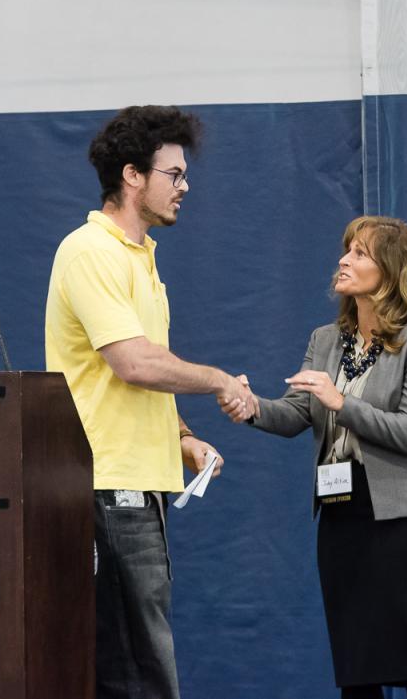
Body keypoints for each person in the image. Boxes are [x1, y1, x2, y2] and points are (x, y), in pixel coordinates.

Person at [44, 105, 253, 699]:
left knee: (135, 665)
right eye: (175, 174)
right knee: (136, 673)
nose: (185, 187)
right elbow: (132, 363)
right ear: (133, 176)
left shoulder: (138, 257)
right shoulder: (91, 252)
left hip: (136, 485)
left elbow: (138, 375)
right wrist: (218, 380)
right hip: (107, 487)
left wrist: (181, 437)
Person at [230, 216, 407, 699]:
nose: (343, 260)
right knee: (355, 661)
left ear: (393, 272)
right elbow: (294, 414)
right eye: (346, 250)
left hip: (397, 519)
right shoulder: (326, 339)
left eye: (359, 253)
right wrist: (251, 408)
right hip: (340, 514)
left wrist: (342, 403)